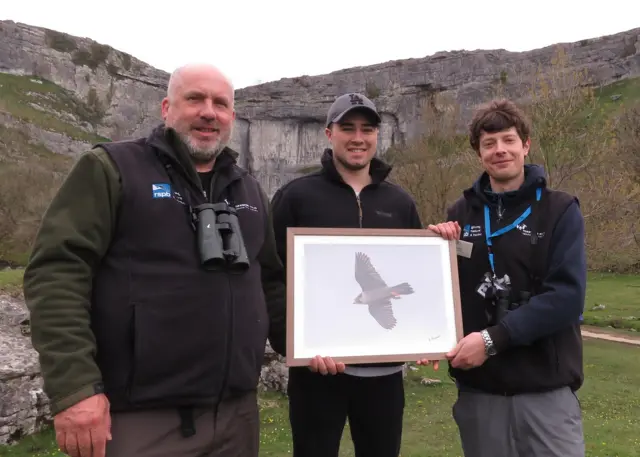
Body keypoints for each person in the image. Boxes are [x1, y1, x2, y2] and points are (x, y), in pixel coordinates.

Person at [23, 63, 287, 457]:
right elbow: (57, 272)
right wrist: (75, 389)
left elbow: (270, 283)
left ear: (232, 116)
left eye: (221, 103)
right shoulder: (111, 169)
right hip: (142, 418)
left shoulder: (248, 188)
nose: (208, 112)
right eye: (194, 99)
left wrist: (318, 343)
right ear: (166, 107)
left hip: (236, 416)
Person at [421, 99, 586, 457]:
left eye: (509, 140)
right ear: (478, 153)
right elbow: (444, 291)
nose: (500, 151)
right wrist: (433, 250)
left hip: (546, 394)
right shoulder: (461, 213)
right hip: (481, 396)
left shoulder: (560, 209)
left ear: (526, 145)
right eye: (489, 143)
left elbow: (567, 297)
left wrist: (494, 339)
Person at [270, 92, 423, 457]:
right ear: (328, 133)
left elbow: (417, 271)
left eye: (367, 129)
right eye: (348, 128)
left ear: (376, 136)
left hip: (385, 379)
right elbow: (269, 278)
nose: (358, 137)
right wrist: (292, 343)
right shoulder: (295, 197)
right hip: (316, 376)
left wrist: (425, 334)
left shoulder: (399, 203)